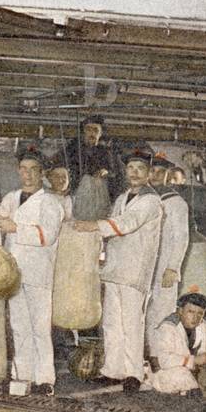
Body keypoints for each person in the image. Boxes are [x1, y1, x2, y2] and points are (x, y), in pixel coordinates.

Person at [74, 147, 162, 392]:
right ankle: (113, 370)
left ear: (149, 174)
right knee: (112, 323)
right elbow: (113, 227)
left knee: (132, 323)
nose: (134, 173)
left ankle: (134, 373)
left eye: (140, 169)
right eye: (131, 168)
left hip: (134, 271)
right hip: (114, 269)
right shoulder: (123, 198)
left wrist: (93, 226)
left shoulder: (151, 201)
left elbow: (125, 224)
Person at [0, 145, 65, 395]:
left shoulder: (51, 203)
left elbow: (48, 235)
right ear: (18, 171)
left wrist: (15, 228)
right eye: (24, 169)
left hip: (38, 273)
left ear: (42, 173)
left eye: (34, 170)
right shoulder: (10, 198)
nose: (28, 175)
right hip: (13, 273)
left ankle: (45, 379)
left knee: (40, 328)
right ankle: (22, 376)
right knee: (19, 326)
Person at [145, 153, 191, 345]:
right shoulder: (141, 198)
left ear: (168, 175)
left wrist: (173, 267)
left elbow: (182, 237)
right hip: (143, 265)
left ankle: (159, 354)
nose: (155, 176)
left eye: (160, 172)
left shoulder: (175, 202)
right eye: (152, 171)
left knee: (161, 311)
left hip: (164, 266)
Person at [148, 291, 206, 394]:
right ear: (180, 311)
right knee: (182, 376)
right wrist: (194, 360)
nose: (195, 317)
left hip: (197, 370)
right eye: (191, 312)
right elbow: (164, 360)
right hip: (167, 372)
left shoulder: (203, 325)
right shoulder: (168, 327)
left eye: (200, 313)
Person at [63, 115, 123, 219]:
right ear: (83, 132)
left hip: (99, 198)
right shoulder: (72, 150)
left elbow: (117, 174)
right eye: (88, 130)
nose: (92, 133)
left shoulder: (107, 153)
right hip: (77, 198)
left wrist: (106, 172)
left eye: (95, 130)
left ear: (100, 134)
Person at [45, 154, 73, 218]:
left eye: (64, 177)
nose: (60, 181)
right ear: (49, 178)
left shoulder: (68, 198)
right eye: (56, 176)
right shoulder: (45, 197)